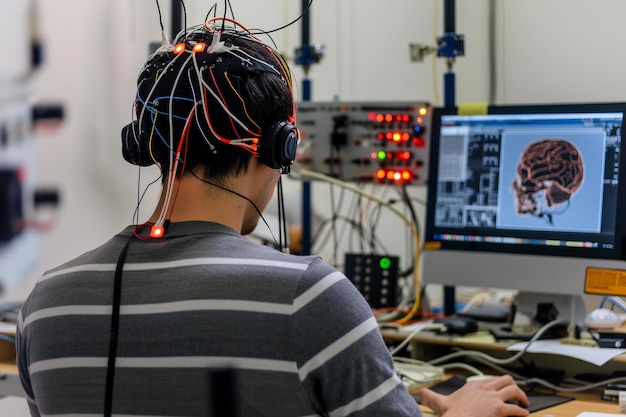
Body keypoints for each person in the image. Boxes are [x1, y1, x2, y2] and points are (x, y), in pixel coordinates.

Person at [16, 18, 530, 417]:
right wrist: (463, 408)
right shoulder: (309, 297)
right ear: (278, 148)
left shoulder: (44, 305)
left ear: (149, 145)